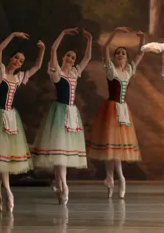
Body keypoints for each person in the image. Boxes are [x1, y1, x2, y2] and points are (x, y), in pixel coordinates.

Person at [0, 32, 45, 212]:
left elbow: (38, 66)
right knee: (0, 158)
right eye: (16, 58)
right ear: (11, 58)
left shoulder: (18, 78)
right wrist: (13, 35)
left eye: (21, 61)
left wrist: (42, 49)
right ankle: (8, 191)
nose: (18, 62)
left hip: (10, 119)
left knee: (2, 159)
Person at [31, 27, 92, 205]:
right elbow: (53, 50)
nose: (71, 59)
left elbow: (87, 58)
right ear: (64, 58)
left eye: (73, 58)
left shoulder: (75, 73)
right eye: (68, 56)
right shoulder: (56, 72)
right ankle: (62, 186)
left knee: (63, 154)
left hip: (71, 114)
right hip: (59, 114)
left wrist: (89, 40)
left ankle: (60, 186)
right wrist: (63, 33)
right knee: (59, 152)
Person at [86, 27, 145, 199]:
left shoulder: (128, 71)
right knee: (109, 148)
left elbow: (140, 55)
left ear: (126, 58)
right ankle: (110, 178)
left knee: (115, 148)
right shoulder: (111, 69)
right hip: (111, 109)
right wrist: (115, 33)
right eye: (118, 53)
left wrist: (142, 40)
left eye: (123, 53)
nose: (120, 55)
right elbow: (105, 48)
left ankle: (120, 178)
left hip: (122, 110)